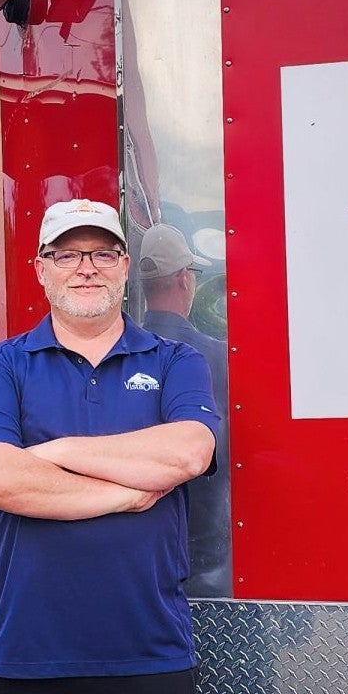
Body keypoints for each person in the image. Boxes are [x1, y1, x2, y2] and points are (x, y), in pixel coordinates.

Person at [0, 199, 220, 694]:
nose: (86, 268)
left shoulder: (175, 361)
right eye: (66, 255)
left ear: (124, 267)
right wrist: (129, 491)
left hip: (151, 651)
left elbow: (188, 453)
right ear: (41, 269)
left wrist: (54, 451)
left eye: (102, 253)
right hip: (23, 653)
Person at [137, 223, 231, 595]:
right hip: (207, 550)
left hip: (141, 546)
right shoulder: (218, 356)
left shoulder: (120, 355)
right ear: (183, 280)